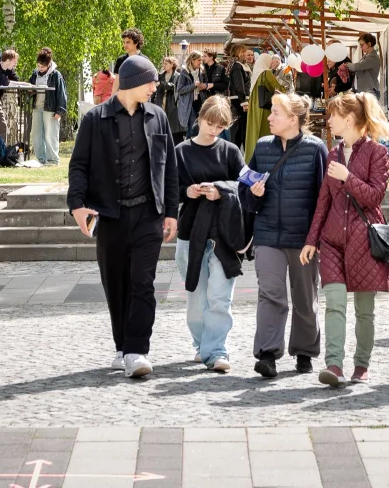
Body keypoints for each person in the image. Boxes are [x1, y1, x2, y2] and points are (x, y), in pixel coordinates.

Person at [67, 54, 180, 379]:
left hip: (148, 215)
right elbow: (79, 167)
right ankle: (122, 347)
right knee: (115, 284)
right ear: (132, 82)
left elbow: (169, 167)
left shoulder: (158, 117)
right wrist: (77, 205)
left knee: (142, 283)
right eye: (151, 81)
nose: (156, 86)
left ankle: (137, 350)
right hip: (110, 217)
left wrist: (170, 212)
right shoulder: (95, 119)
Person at [302, 92, 389, 387]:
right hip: (331, 241)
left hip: (364, 241)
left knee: (364, 310)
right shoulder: (332, 153)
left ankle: (361, 365)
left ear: (350, 119)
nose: (328, 121)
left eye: (333, 116)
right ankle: (334, 365)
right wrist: (311, 240)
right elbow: (323, 201)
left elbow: (374, 198)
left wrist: (347, 177)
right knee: (335, 302)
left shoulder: (377, 153)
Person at [246, 92, 327, 378]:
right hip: (267, 234)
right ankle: (267, 354)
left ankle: (304, 352)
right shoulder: (262, 147)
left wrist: (314, 239)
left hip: (302, 237)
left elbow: (323, 198)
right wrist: (253, 194)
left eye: (275, 113)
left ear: (293, 119)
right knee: (270, 294)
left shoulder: (316, 149)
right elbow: (247, 193)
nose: (269, 117)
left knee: (305, 296)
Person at [175, 96, 248, 373]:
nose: (213, 130)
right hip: (189, 231)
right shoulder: (181, 150)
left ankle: (217, 350)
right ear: (200, 118)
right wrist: (188, 191)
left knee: (220, 296)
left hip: (223, 232)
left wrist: (220, 188)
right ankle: (202, 344)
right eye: (209, 123)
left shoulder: (229, 150)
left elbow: (243, 183)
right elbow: (172, 187)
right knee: (196, 296)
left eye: (220, 126)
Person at [243, 54, 285, 163]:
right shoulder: (266, 73)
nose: (271, 63)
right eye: (270, 61)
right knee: (264, 133)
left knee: (253, 133)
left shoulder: (256, 74)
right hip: (264, 109)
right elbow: (278, 88)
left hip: (255, 108)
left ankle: (251, 159)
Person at [32, 48, 68, 166]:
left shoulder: (56, 75)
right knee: (37, 134)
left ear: (48, 65)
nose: (40, 69)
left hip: (50, 108)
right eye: (38, 66)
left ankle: (52, 160)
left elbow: (61, 93)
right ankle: (40, 159)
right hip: (37, 107)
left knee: (50, 134)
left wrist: (60, 110)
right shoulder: (34, 73)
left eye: (42, 67)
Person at [225, 45, 253, 145]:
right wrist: (244, 102)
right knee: (240, 128)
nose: (245, 54)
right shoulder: (237, 66)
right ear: (238, 53)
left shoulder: (241, 65)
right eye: (244, 52)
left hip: (240, 99)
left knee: (241, 129)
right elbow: (239, 85)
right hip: (239, 101)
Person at [346, 32, 383, 98]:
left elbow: (357, 67)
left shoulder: (373, 57)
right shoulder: (366, 56)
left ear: (369, 44)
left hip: (370, 91)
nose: (361, 47)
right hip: (364, 91)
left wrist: (346, 65)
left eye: (362, 45)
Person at [176, 53, 202, 139]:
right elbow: (179, 90)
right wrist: (193, 85)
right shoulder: (185, 72)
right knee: (192, 130)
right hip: (189, 104)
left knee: (199, 129)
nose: (200, 62)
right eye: (198, 60)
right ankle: (188, 149)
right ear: (192, 60)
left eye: (201, 60)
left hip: (200, 103)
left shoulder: (201, 71)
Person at [155, 57, 180, 126]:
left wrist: (161, 83)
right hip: (161, 100)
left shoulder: (177, 76)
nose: (164, 65)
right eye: (163, 64)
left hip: (171, 102)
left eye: (166, 64)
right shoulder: (160, 76)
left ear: (172, 65)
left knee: (170, 124)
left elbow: (173, 86)